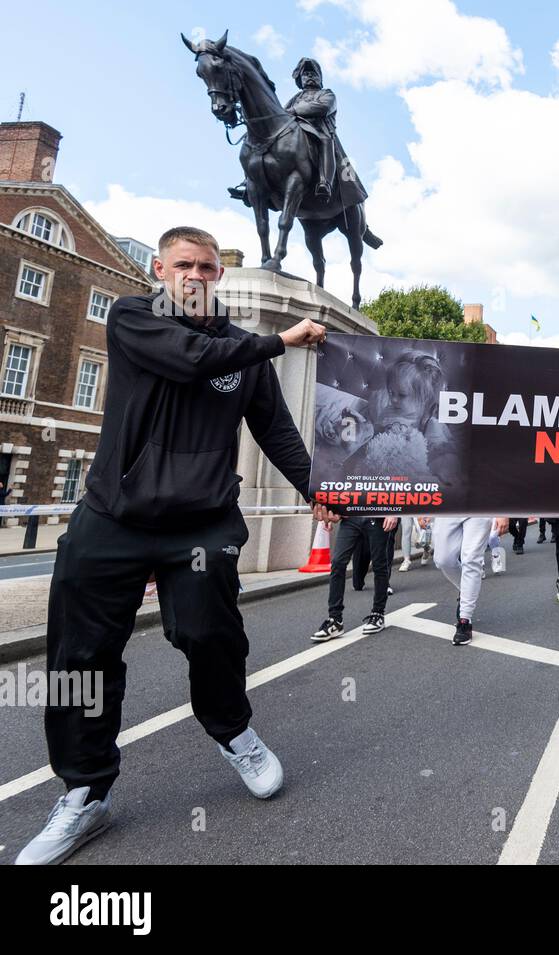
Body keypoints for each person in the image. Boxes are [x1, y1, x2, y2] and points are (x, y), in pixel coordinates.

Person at [17, 226, 333, 865]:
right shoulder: (134, 318)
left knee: (209, 631)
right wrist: (282, 340)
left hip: (201, 523)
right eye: (184, 265)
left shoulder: (243, 353)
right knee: (81, 652)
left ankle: (233, 730)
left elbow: (277, 430)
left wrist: (316, 488)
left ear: (220, 276)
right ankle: (85, 792)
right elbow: (189, 357)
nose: (197, 276)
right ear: (159, 269)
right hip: (113, 517)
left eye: (209, 268)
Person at [313, 515, 398, 642]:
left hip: (377, 513)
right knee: (337, 563)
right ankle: (335, 619)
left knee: (379, 565)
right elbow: (340, 493)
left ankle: (378, 613)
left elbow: (397, 493)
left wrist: (394, 512)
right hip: (351, 516)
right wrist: (331, 512)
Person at [433, 516, 509, 644]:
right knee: (443, 560)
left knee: (471, 560)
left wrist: (502, 512)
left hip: (479, 506)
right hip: (448, 506)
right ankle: (466, 591)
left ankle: (465, 621)